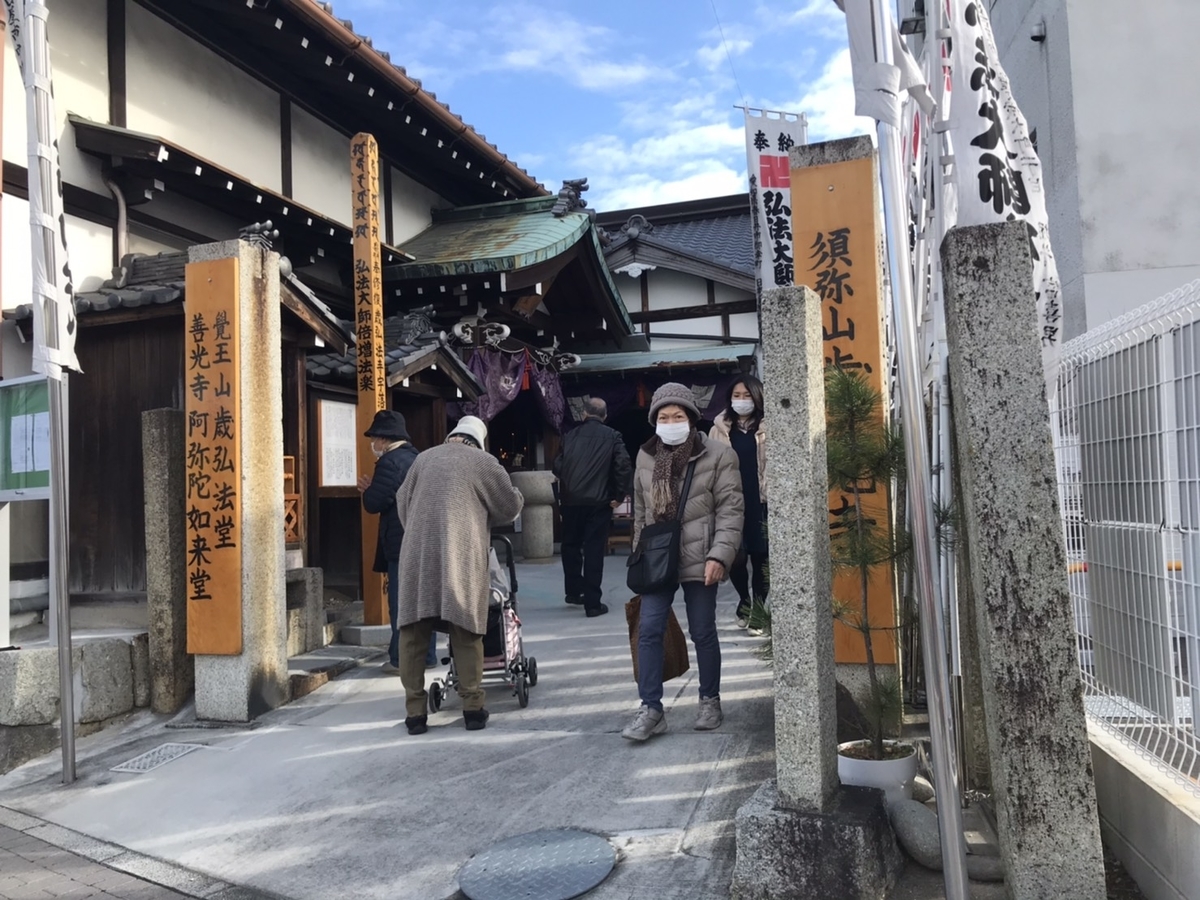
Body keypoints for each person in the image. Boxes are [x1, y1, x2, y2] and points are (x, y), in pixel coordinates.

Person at [622, 383, 743, 742]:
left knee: (702, 630)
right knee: (649, 630)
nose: (670, 421)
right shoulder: (645, 458)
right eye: (663, 416)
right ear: (654, 421)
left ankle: (709, 699)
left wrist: (720, 554)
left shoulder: (719, 455)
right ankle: (651, 709)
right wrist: (638, 559)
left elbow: (731, 509)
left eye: (677, 416)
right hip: (657, 559)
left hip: (700, 554)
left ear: (691, 418)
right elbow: (641, 514)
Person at [394, 415, 524, 735]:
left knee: (413, 633)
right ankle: (473, 709)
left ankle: (414, 714)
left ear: (452, 436)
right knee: (465, 628)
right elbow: (509, 507)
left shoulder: (422, 459)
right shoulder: (483, 461)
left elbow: (401, 503)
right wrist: (517, 497)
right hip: (461, 553)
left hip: (417, 554)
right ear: (479, 440)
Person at [355, 410, 430, 674]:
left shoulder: (389, 463)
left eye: (374, 438)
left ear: (384, 439)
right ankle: (427, 655)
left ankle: (401, 659)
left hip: (400, 542)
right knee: (423, 602)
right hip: (423, 539)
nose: (372, 444)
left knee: (401, 603)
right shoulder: (418, 457)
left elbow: (377, 502)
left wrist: (366, 491)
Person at [552, 397, 633, 618]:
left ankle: (573, 592)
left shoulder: (569, 436)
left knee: (570, 546)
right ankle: (593, 604)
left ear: (584, 414)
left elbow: (557, 465)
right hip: (599, 502)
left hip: (570, 501)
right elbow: (623, 467)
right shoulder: (613, 437)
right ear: (605, 416)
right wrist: (618, 495)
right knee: (594, 549)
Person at [708, 375, 769, 632]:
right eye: (737, 396)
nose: (742, 401)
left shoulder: (769, 426)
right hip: (730, 500)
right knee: (735, 556)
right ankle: (744, 599)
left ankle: (758, 607)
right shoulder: (719, 428)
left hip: (762, 500)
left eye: (747, 395)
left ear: (757, 397)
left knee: (762, 556)